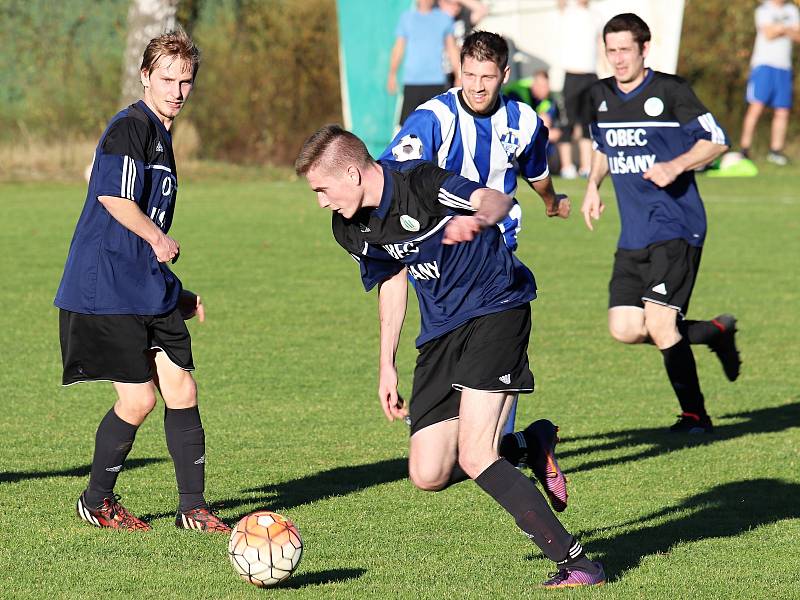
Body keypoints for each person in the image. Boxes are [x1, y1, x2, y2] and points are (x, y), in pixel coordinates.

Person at [295, 124, 606, 588]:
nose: (321, 200)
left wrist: (478, 218)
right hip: (441, 332)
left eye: (323, 188)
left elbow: (500, 201)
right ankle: (527, 445)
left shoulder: (420, 182)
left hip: (495, 307)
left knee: (477, 455)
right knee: (428, 472)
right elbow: (392, 279)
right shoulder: (348, 225)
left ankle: (578, 563)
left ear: (354, 175)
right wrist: (386, 364)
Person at [54, 28, 229, 533]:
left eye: (186, 80)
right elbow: (113, 197)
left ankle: (192, 508)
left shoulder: (160, 135)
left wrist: (178, 291)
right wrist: (157, 239)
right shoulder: (130, 127)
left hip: (145, 286)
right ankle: (96, 500)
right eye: (167, 78)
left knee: (182, 389)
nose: (177, 90)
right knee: (139, 399)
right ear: (146, 76)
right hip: (106, 287)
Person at [380, 31, 570, 482]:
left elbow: (536, 172)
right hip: (440, 263)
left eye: (488, 77)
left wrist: (550, 201)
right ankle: (525, 442)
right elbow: (391, 170)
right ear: (457, 70)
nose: (478, 86)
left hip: (495, 262)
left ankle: (509, 448)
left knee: (479, 445)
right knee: (466, 451)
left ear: (505, 74)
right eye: (469, 75)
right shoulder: (432, 118)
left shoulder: (524, 121)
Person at [580, 13, 741, 433]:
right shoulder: (599, 95)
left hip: (677, 225)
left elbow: (718, 139)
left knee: (659, 322)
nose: (617, 59)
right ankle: (715, 332)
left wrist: (675, 165)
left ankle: (695, 416)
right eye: (610, 50)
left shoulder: (672, 91)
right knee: (625, 327)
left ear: (643, 49)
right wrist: (593, 185)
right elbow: (602, 146)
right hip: (633, 233)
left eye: (624, 50)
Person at [739, 0, 800, 166]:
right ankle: (745, 149)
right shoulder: (763, 9)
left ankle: (776, 151)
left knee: (782, 110)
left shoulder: (792, 10)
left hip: (784, 67)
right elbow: (768, 34)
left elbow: (798, 35)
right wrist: (787, 29)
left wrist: (781, 29)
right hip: (764, 66)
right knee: (756, 107)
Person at [387, 0, 461, 125]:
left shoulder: (444, 19)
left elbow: (452, 49)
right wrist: (392, 74)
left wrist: (459, 76)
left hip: (436, 82)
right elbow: (398, 48)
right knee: (409, 126)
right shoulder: (406, 18)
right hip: (412, 82)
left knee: (438, 124)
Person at [557, 0, 602, 179]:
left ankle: (586, 166)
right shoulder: (568, 9)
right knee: (566, 122)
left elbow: (600, 43)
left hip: (590, 75)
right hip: (572, 74)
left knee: (587, 124)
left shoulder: (597, 15)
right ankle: (567, 166)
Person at [438, 0, 489, 87]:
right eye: (451, 4)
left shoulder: (462, 18)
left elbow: (482, 10)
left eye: (458, 5)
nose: (456, 8)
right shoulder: (434, 19)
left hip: (460, 70)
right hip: (440, 72)